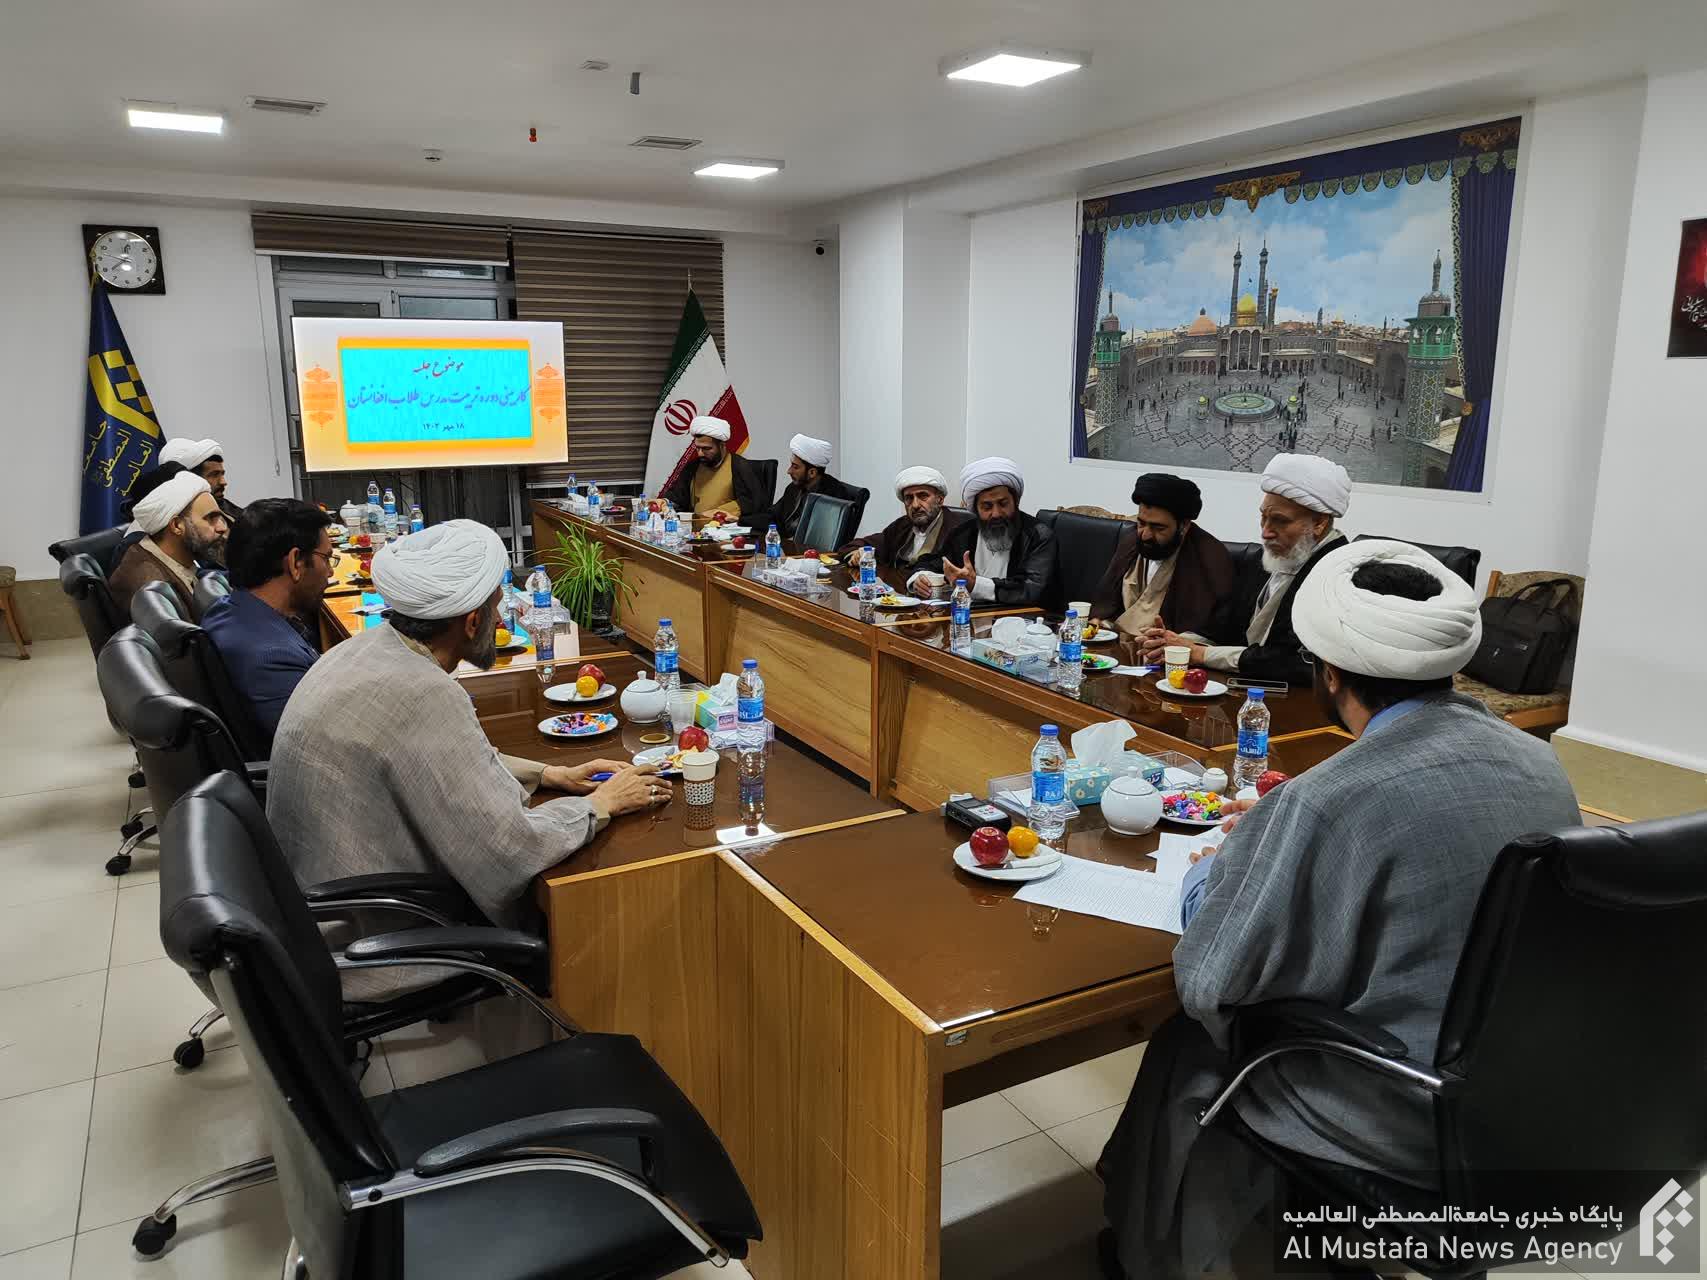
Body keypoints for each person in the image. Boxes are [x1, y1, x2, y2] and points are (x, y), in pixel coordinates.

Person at [1096, 541, 1581, 1279]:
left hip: (1412, 1108)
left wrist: (1217, 867)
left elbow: (1214, 979)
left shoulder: (1330, 798)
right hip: (1537, 1092)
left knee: (1189, 1044)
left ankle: (1146, 1257)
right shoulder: (1538, 760)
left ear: (1327, 671)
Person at [267, 520, 669, 999]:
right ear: (473, 622)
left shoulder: (364, 649)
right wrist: (600, 805)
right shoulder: (423, 691)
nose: (501, 622)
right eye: (497, 608)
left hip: (310, 915)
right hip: (372, 935)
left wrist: (548, 773)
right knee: (599, 906)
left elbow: (442, 761)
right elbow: (509, 849)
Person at [1141, 453, 1350, 687]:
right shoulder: (1271, 557)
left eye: (1280, 521)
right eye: (1264, 517)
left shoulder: (1339, 576)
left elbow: (1297, 663)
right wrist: (1173, 643)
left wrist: (1200, 654)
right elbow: (1225, 625)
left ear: (1319, 523)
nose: (1265, 532)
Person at [199, 498, 334, 754]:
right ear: (295, 562)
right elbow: (327, 749)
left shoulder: (226, 609)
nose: (330, 572)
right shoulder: (273, 657)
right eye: (326, 558)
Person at [1089, 474, 1233, 648]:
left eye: (1158, 528)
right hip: (1118, 646)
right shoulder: (1131, 541)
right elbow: (1107, 605)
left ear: (1184, 525)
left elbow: (1208, 631)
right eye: (1141, 523)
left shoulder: (1210, 556)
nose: (1145, 535)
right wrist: (1101, 621)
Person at [906, 457, 1054, 606]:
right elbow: (932, 562)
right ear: (976, 509)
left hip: (1022, 617)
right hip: (972, 615)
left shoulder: (1038, 535)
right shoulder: (963, 534)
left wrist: (975, 584)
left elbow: (1032, 589)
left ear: (1016, 502)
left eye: (1003, 504)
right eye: (987, 507)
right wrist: (920, 578)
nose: (996, 513)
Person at [108, 464, 229, 620]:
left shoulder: (168, 558)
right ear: (177, 526)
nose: (222, 528)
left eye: (219, 518)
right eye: (210, 518)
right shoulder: (153, 590)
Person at [837, 466, 969, 573]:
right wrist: (857, 553)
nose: (915, 505)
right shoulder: (903, 525)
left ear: (940, 500)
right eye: (909, 498)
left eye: (923, 496)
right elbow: (861, 544)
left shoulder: (958, 531)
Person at [659, 415, 771, 519]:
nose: (700, 454)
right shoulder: (694, 466)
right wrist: (664, 502)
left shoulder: (739, 466)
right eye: (697, 448)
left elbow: (752, 502)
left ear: (722, 446)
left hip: (727, 528)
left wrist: (720, 512)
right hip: (696, 527)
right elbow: (678, 496)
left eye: (706, 448)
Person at [763, 433, 862, 541]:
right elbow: (772, 515)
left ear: (812, 472)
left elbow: (820, 537)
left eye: (795, 467)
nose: (789, 471)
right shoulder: (794, 488)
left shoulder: (832, 497)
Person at [159, 436, 242, 523]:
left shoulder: (236, 515)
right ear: (190, 479)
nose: (223, 482)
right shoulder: (164, 521)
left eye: (222, 474)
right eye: (214, 475)